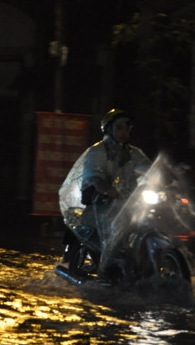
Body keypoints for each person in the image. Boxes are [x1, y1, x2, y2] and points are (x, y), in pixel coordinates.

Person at [57, 109, 149, 277]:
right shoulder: (97, 152)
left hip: (126, 203)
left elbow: (148, 169)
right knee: (109, 235)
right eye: (119, 128)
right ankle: (106, 269)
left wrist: (168, 177)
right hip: (99, 205)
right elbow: (93, 176)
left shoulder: (133, 153)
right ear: (109, 129)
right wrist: (107, 189)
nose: (124, 132)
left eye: (127, 128)